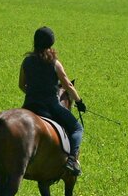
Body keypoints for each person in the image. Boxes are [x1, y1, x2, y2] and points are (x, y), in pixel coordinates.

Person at [19, 26, 86, 175]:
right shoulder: (55, 63)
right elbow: (68, 85)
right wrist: (79, 102)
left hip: (29, 105)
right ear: (51, 43)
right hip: (50, 106)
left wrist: (32, 93)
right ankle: (72, 160)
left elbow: (21, 85)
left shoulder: (27, 61)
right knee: (77, 129)